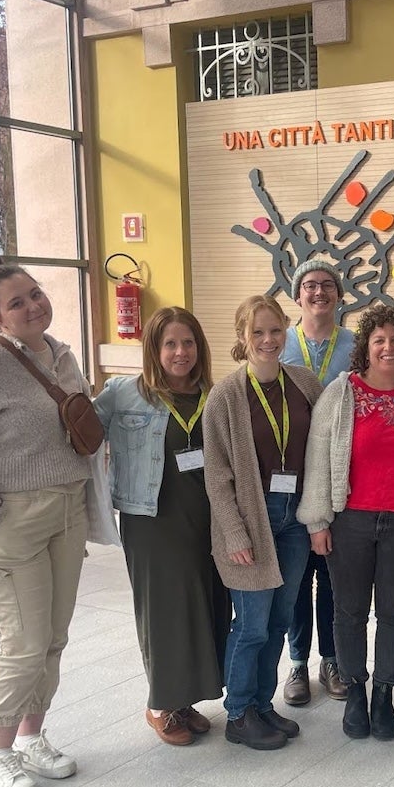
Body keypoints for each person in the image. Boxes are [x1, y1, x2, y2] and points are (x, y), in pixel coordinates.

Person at [0, 256, 119, 787]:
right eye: (17, 303)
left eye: (35, 293)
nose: (33, 306)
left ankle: (32, 736)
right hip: (6, 523)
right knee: (23, 642)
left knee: (53, 639)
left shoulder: (61, 356)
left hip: (62, 515)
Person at [94, 307, 228, 746]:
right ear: (153, 349)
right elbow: (80, 436)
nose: (180, 352)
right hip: (153, 519)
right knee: (164, 611)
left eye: (188, 342)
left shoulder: (216, 392)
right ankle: (160, 706)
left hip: (208, 517)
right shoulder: (123, 394)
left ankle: (184, 701)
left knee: (204, 607)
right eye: (169, 343)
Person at [299, 305, 394, 740]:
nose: (388, 347)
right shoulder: (341, 393)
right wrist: (318, 521)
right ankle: (355, 692)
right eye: (379, 340)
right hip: (350, 520)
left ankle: (384, 695)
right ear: (366, 347)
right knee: (349, 612)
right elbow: (318, 460)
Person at [204, 295, 322, 750]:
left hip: (295, 519)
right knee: (251, 625)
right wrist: (234, 532)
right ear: (242, 338)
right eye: (258, 332)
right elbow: (216, 474)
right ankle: (238, 713)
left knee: (280, 620)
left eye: (276, 331)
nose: (269, 340)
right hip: (252, 521)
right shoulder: (226, 395)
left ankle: (262, 704)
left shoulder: (305, 382)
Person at [280, 259, 357, 706]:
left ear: (339, 294)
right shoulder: (281, 341)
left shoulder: (354, 344)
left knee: (332, 577)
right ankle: (296, 663)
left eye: (327, 285)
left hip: (337, 475)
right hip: (288, 474)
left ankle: (330, 660)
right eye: (310, 285)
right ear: (297, 295)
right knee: (295, 576)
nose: (318, 293)